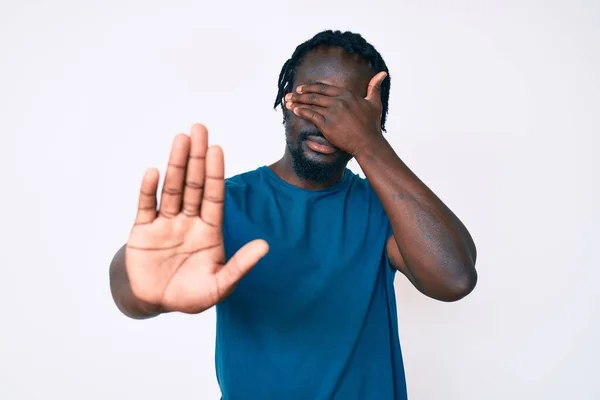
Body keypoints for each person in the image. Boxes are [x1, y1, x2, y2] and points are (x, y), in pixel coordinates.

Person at [109, 30, 478, 399]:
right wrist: (142, 291)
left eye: (346, 111)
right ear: (286, 101)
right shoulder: (224, 203)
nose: (327, 124)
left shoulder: (386, 208)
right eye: (314, 101)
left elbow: (454, 277)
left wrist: (369, 143)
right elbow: (132, 288)